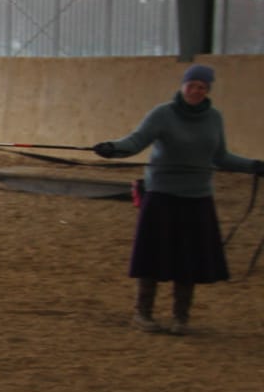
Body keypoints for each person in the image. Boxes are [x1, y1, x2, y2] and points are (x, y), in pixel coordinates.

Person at [93, 64, 263, 334]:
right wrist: (113, 148)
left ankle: (180, 317)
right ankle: (143, 313)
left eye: (202, 87)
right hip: (162, 194)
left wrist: (253, 165)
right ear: (183, 86)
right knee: (152, 255)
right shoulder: (163, 114)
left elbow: (220, 157)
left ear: (208, 91)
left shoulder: (214, 118)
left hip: (197, 197)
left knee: (188, 258)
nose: (196, 90)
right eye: (192, 85)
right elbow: (136, 141)